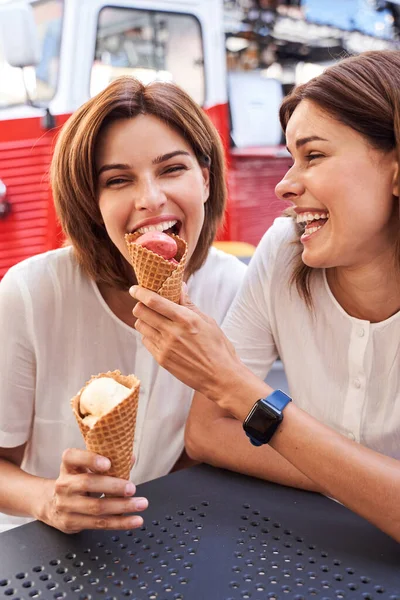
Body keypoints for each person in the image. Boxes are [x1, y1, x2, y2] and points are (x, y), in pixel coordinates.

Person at [130, 50, 400, 542]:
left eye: (313, 155)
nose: (284, 185)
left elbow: (231, 405)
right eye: (289, 157)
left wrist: (236, 385)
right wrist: (365, 482)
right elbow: (208, 432)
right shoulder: (283, 250)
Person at [0, 78, 246, 533]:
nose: (150, 199)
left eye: (172, 169)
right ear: (93, 204)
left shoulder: (234, 288)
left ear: (206, 180)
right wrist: (47, 499)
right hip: (41, 548)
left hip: (168, 537)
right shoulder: (31, 292)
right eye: (117, 180)